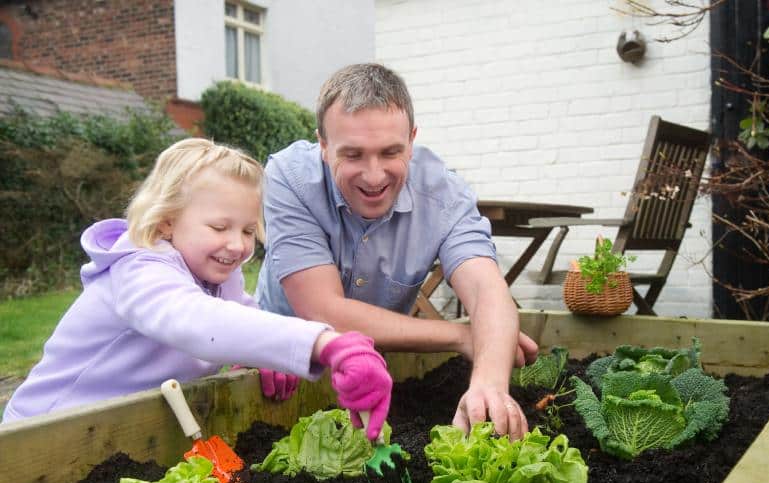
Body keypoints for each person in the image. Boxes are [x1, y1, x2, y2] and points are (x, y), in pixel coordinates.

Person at [2, 138, 391, 441]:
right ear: (168, 222)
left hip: (118, 434)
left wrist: (266, 355)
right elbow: (196, 321)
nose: (237, 245)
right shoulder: (139, 268)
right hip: (41, 435)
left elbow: (240, 315)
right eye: (220, 228)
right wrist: (324, 343)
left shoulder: (218, 273)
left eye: (247, 230)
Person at [255, 63, 539, 441]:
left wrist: (490, 383)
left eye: (391, 152)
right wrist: (460, 336)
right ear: (323, 146)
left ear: (412, 140)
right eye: (353, 155)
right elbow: (324, 311)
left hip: (374, 373)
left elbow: (487, 289)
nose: (374, 176)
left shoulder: (444, 196)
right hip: (279, 374)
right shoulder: (290, 179)